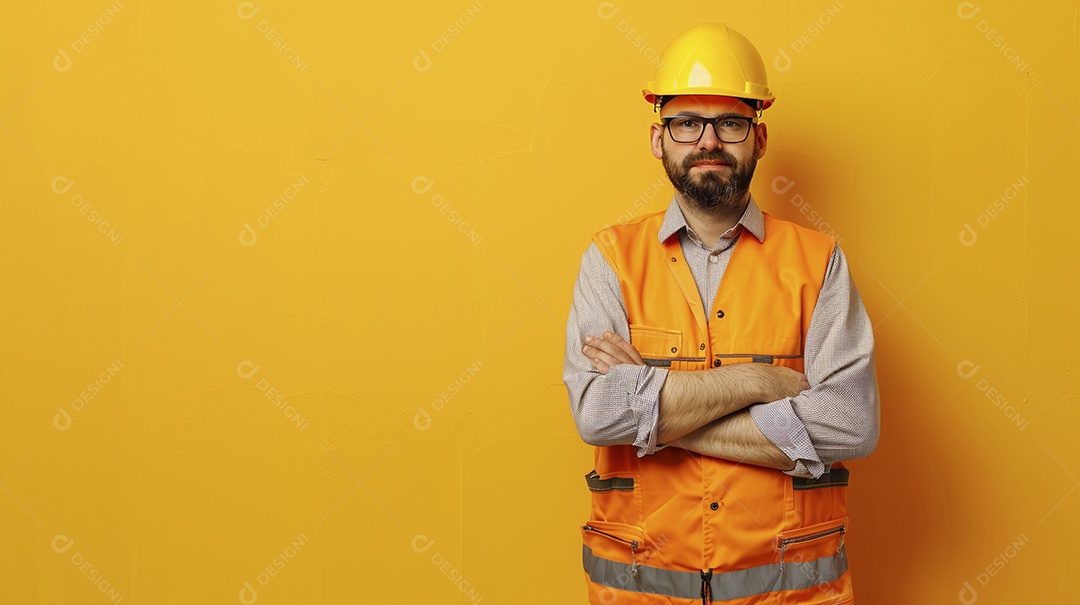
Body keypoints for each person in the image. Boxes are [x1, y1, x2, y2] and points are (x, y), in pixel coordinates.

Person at [562, 22, 880, 604]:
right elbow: (597, 415)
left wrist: (653, 412)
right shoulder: (610, 259)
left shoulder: (818, 262)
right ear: (658, 138)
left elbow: (852, 423)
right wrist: (759, 383)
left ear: (759, 138)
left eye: (730, 123)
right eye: (686, 122)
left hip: (789, 594)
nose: (708, 140)